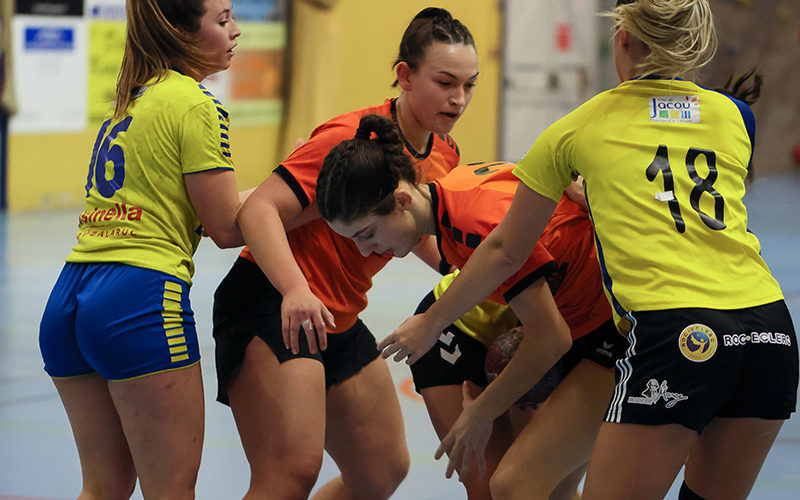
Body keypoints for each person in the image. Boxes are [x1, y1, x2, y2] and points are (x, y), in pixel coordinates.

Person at [380, 1, 799, 499]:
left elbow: (504, 252)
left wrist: (430, 322)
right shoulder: (736, 115)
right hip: (771, 333)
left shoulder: (577, 129)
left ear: (621, 39)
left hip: (677, 332)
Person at [211, 8, 479, 499]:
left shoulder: (445, 155)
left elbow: (419, 232)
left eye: (469, 85)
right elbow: (257, 212)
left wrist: (487, 276)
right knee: (289, 473)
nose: (458, 99)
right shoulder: (349, 140)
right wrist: (295, 289)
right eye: (445, 82)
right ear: (405, 75)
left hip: (338, 314)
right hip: (273, 302)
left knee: (382, 469)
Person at [316, 114, 627, 500]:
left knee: (512, 486)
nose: (365, 250)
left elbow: (550, 338)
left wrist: (481, 414)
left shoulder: (470, 225)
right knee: (553, 491)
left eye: (366, 234)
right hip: (589, 324)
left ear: (401, 200)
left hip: (615, 333)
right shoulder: (455, 190)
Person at [38, 0, 243, 498]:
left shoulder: (134, 97)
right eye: (222, 20)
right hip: (138, 298)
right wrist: (306, 191)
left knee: (103, 487)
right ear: (180, 31)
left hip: (69, 298)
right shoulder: (197, 103)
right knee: (171, 489)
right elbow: (227, 226)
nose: (236, 31)